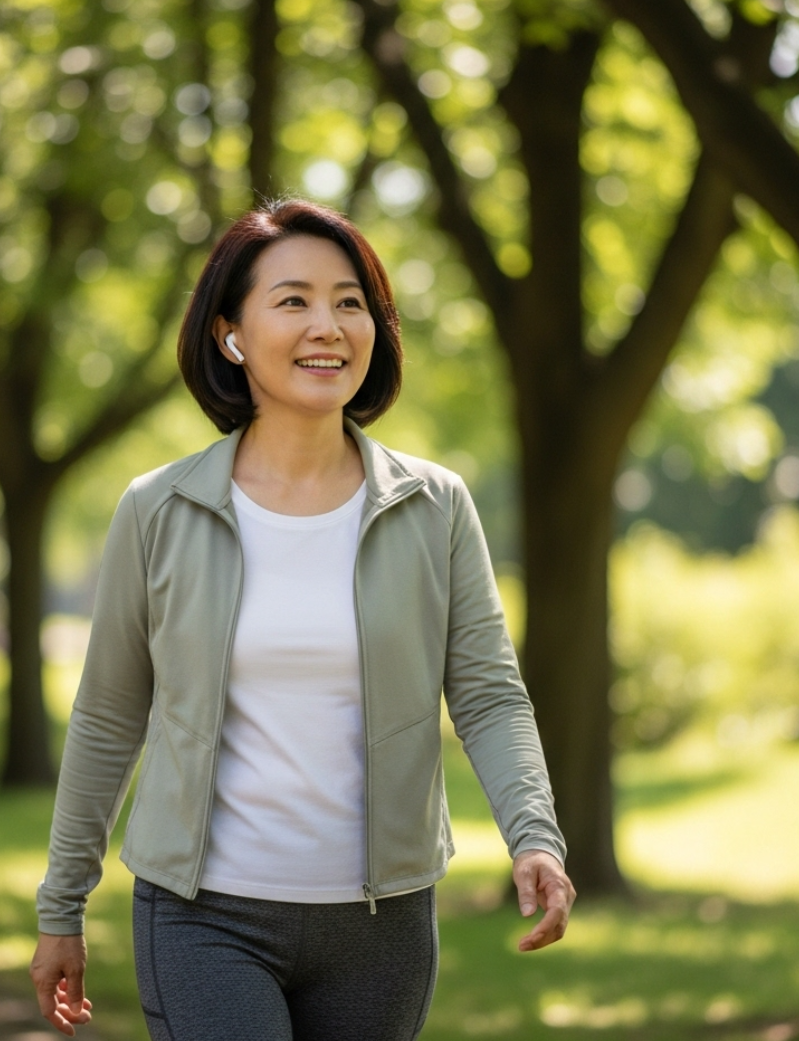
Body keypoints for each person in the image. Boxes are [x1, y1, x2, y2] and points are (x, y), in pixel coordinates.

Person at [29, 199, 575, 1040]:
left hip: (383, 928)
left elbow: (490, 696)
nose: (328, 324)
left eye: (349, 301)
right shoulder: (159, 509)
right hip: (204, 916)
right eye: (293, 300)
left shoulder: (434, 507)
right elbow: (108, 715)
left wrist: (533, 836)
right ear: (230, 334)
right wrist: (62, 902)